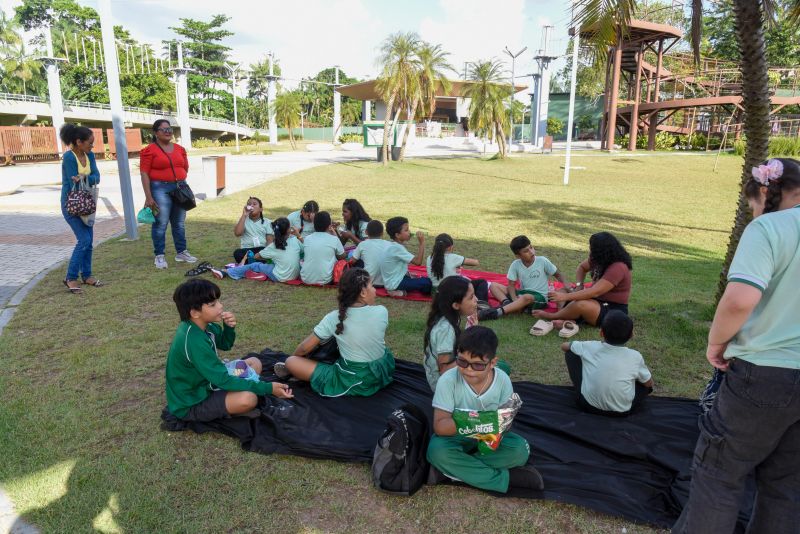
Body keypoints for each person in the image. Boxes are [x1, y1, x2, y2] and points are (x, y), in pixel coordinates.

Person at [673, 158, 800, 534]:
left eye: (753, 206)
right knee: (787, 484)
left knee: (719, 472)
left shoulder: (770, 227)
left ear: (765, 191)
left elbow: (740, 300)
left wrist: (716, 342)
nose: (754, 213)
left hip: (765, 374)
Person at [426, 326, 544, 493]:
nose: (468, 369)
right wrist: (477, 422)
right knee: (437, 452)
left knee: (520, 450)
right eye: (462, 361)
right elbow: (440, 426)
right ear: (457, 355)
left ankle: (452, 472)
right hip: (455, 437)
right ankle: (507, 479)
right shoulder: (448, 380)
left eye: (478, 365)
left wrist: (496, 429)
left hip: (489, 439)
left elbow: (504, 424)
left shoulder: (502, 380)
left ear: (493, 362)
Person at [165, 279, 293, 422]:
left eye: (218, 301)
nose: (221, 306)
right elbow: (223, 380)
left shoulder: (205, 325)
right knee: (248, 399)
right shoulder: (193, 341)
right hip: (193, 401)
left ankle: (233, 397)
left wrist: (229, 328)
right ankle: (231, 406)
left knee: (254, 363)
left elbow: (225, 344)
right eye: (213, 304)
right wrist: (268, 388)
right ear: (195, 313)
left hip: (210, 380)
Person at [275, 268, 395, 397]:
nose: (375, 290)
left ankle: (291, 370)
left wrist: (297, 358)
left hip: (354, 378)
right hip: (382, 369)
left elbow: (304, 348)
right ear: (363, 293)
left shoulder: (334, 318)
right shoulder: (382, 311)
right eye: (372, 286)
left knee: (291, 361)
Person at [561, 310, 653, 416]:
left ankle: (587, 389)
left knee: (571, 353)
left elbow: (564, 346)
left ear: (601, 333)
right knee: (645, 384)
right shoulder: (635, 356)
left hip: (587, 406)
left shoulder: (589, 346)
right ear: (631, 335)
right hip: (622, 412)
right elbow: (649, 384)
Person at [532, 232, 632, 327]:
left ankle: (553, 316)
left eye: (592, 248)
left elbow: (595, 292)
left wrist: (564, 297)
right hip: (595, 300)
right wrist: (579, 285)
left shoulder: (618, 267)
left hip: (610, 308)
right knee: (563, 290)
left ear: (602, 250)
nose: (590, 250)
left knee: (580, 304)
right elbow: (582, 268)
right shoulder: (598, 258)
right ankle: (566, 317)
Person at [140, 119, 197, 269]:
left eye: (169, 129)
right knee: (161, 222)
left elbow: (185, 167)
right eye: (163, 129)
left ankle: (181, 252)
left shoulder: (180, 149)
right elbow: (144, 173)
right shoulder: (149, 150)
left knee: (179, 222)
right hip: (159, 188)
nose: (168, 132)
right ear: (155, 133)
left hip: (179, 187)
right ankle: (159, 255)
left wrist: (179, 180)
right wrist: (148, 196)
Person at [480, 235, 567, 321]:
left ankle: (497, 312)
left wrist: (568, 287)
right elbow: (511, 285)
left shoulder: (542, 261)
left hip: (539, 297)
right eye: (526, 251)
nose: (531, 252)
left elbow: (558, 275)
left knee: (526, 297)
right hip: (522, 294)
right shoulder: (515, 264)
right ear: (518, 256)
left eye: (531, 247)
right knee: (493, 286)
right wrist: (514, 299)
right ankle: (508, 304)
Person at [59, 124, 102, 294]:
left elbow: (97, 177)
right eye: (90, 143)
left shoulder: (89, 155)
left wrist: (85, 177)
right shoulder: (69, 157)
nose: (92, 146)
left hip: (87, 203)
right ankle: (70, 277)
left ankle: (87, 275)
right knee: (83, 240)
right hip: (71, 204)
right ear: (78, 142)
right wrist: (82, 179)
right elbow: (72, 182)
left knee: (89, 242)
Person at [423, 276, 479, 391]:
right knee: (496, 369)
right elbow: (445, 370)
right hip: (444, 386)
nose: (476, 300)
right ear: (456, 305)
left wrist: (469, 332)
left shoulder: (450, 318)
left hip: (449, 375)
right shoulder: (445, 329)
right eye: (471, 297)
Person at [212, 218, 301, 283]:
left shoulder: (273, 246)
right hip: (295, 275)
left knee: (255, 265)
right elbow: (304, 248)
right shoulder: (295, 240)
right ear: (289, 230)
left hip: (280, 277)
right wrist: (298, 235)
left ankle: (226, 272)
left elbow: (256, 256)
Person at [427, 233, 504, 305]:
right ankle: (481, 304)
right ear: (450, 247)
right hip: (453, 293)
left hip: (436, 295)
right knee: (482, 282)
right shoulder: (454, 257)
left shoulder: (429, 258)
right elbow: (475, 263)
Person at [380, 216, 432, 297]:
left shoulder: (393, 245)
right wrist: (422, 243)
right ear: (397, 235)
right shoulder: (397, 248)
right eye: (406, 230)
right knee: (427, 283)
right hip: (395, 283)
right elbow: (418, 262)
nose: (409, 232)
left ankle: (400, 290)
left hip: (394, 279)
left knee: (420, 280)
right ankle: (395, 291)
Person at [300, 211, 346, 285]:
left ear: (314, 224)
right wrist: (335, 235)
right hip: (325, 280)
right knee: (343, 262)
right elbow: (342, 256)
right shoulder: (333, 239)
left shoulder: (307, 239)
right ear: (329, 226)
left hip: (306, 278)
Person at [232, 196, 273, 263]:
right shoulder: (243, 220)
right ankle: (258, 264)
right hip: (247, 250)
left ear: (261, 209)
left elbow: (270, 242)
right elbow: (237, 233)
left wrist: (266, 253)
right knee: (237, 253)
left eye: (254, 204)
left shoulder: (268, 222)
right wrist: (244, 215)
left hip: (262, 249)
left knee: (269, 253)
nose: (251, 206)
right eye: (249, 204)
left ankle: (250, 264)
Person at [350, 220, 388, 286]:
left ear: (366, 232)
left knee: (356, 261)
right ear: (382, 233)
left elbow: (352, 261)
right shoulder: (388, 244)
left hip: (368, 281)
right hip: (386, 281)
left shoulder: (362, 244)